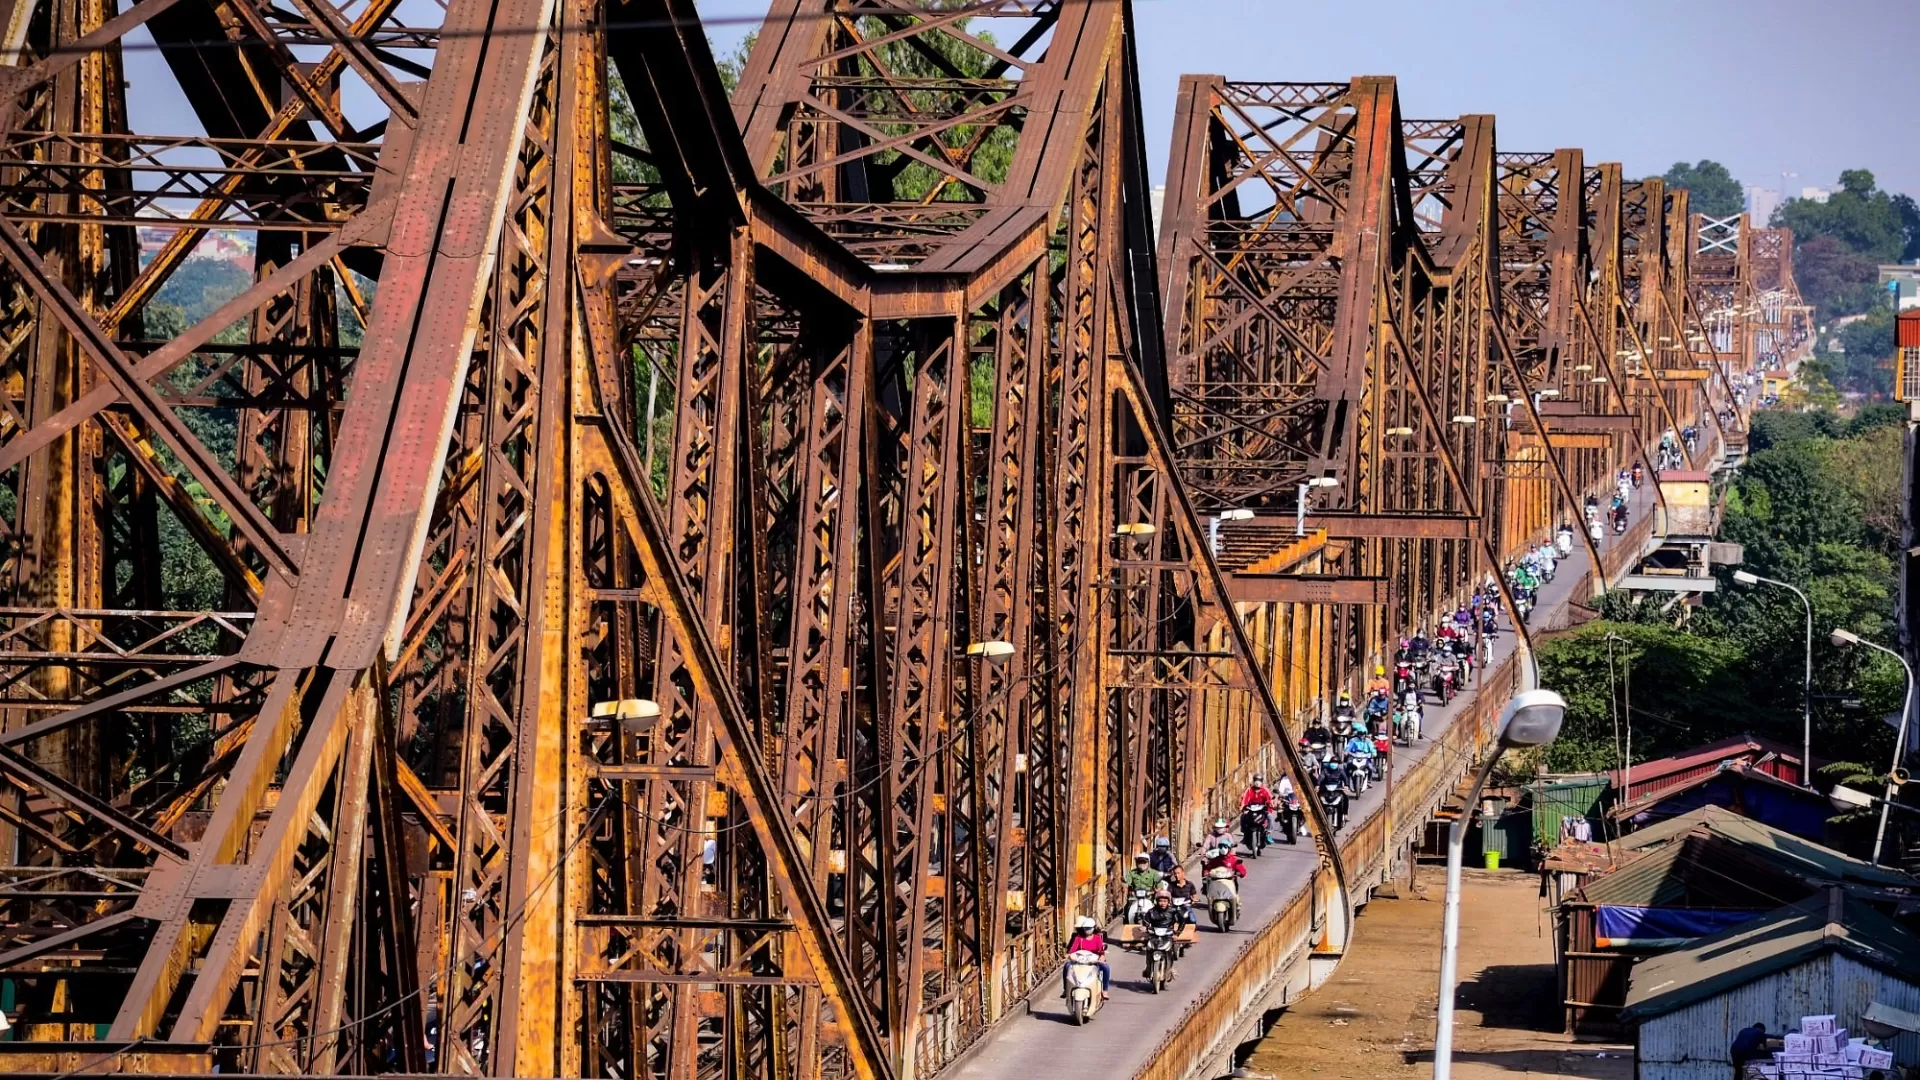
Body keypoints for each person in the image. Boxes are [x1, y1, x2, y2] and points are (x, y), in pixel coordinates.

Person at [1062, 915, 1111, 999]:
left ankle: (1105, 990)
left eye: (1089, 928)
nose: (1087, 930)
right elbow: (1073, 949)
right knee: (1067, 966)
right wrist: (1068, 955)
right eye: (1085, 928)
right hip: (1080, 960)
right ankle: (1066, 989)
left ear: (1093, 928)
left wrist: (1102, 956)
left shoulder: (1097, 938)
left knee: (1106, 968)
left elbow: (1101, 951)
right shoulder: (1078, 938)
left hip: (1093, 960)